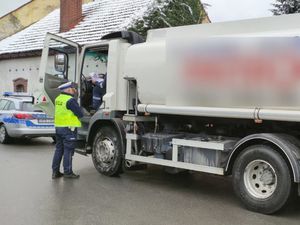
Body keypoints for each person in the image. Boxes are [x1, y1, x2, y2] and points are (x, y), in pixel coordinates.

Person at [52, 81, 83, 179]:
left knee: (58, 150)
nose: (74, 91)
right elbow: (80, 114)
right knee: (68, 151)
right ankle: (68, 172)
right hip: (68, 129)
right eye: (73, 89)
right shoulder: (70, 100)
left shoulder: (58, 99)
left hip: (58, 128)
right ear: (69, 89)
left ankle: (55, 172)